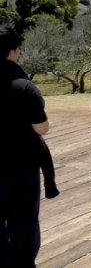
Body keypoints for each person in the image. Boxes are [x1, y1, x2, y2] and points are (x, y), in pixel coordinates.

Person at [1, 26, 52, 266]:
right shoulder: (24, 86)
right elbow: (42, 128)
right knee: (24, 222)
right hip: (21, 166)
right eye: (18, 48)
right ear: (12, 51)